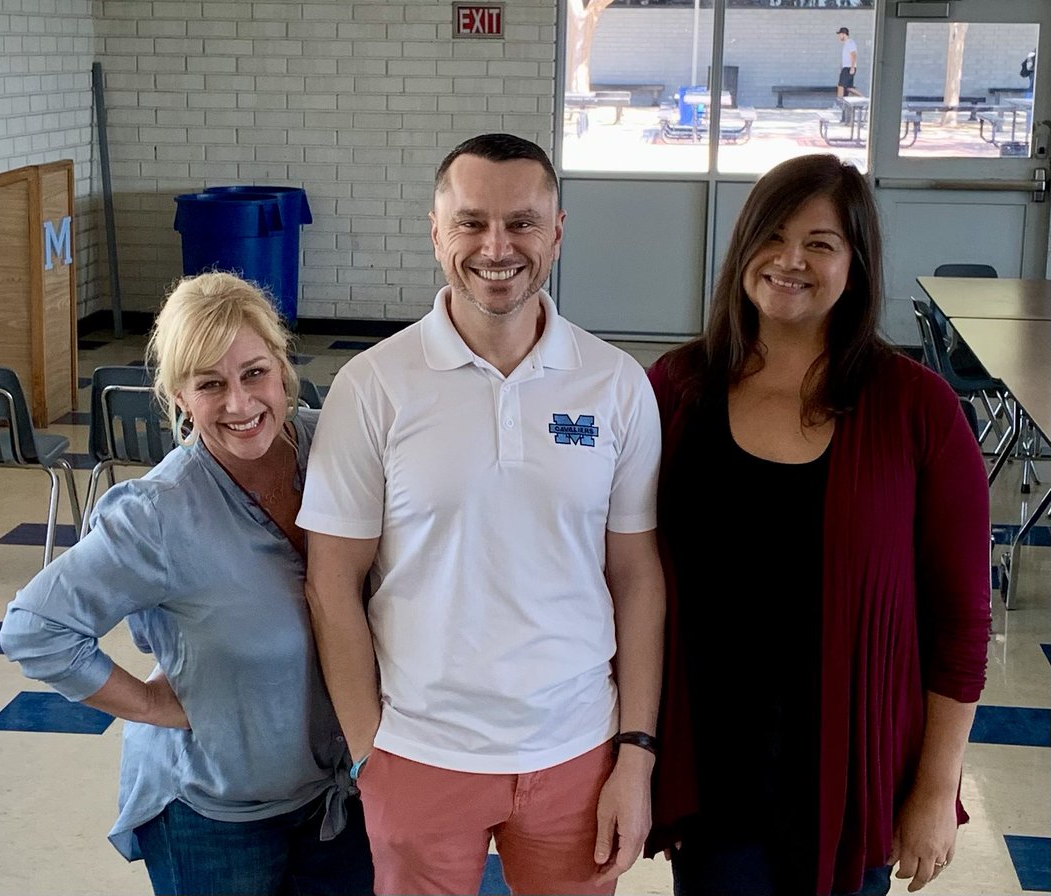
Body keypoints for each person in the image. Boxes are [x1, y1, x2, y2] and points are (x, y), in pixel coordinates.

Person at [298, 133, 666, 896]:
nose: (497, 247)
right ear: (436, 234)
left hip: (577, 749)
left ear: (557, 231)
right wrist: (372, 752)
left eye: (522, 223)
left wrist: (635, 751)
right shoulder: (372, 386)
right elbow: (332, 580)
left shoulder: (618, 385)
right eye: (471, 223)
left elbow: (636, 578)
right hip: (419, 754)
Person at [645, 154, 991, 896]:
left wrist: (936, 790)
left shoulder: (918, 411)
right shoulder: (674, 390)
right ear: (741, 249)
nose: (790, 260)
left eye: (821, 243)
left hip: (851, 771)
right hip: (713, 769)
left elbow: (960, 622)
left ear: (856, 264)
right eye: (770, 236)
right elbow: (619, 574)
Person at [0, 272, 374, 896]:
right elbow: (36, 629)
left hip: (341, 794)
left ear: (283, 368)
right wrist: (149, 706)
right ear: (178, 397)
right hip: (216, 815)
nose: (239, 404)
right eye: (210, 384)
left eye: (254, 373)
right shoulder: (160, 513)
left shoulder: (339, 448)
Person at [836, 27, 863, 99]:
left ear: (844, 34)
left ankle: (839, 104)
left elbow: (853, 54)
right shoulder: (846, 44)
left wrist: (852, 67)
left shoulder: (850, 42)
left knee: (841, 86)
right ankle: (863, 98)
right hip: (846, 68)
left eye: (840, 34)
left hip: (848, 68)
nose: (839, 36)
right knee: (849, 88)